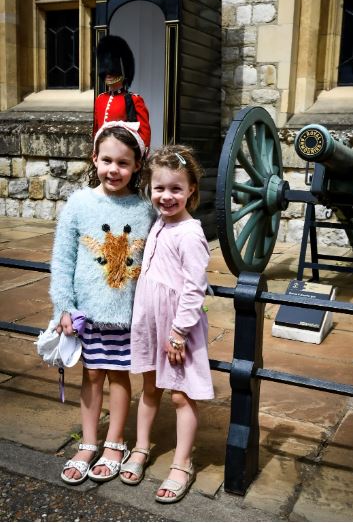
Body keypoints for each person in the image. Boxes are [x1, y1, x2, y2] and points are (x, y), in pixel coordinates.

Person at [52, 126, 154, 484]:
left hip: (127, 314)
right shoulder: (79, 203)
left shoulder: (146, 209)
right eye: (107, 160)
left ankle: (115, 442)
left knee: (119, 374)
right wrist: (63, 306)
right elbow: (63, 258)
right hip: (88, 313)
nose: (114, 169)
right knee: (92, 373)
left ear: (137, 165)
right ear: (94, 159)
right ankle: (89, 442)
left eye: (123, 163)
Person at [121, 145, 213, 503]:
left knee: (180, 395)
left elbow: (194, 289)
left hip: (176, 329)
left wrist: (178, 334)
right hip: (150, 321)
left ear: (191, 189)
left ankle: (181, 462)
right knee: (148, 386)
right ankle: (142, 447)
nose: (167, 196)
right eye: (160, 188)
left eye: (176, 189)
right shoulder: (158, 222)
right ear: (150, 188)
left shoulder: (190, 234)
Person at [93, 36, 151, 159]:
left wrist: (141, 156)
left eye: (112, 71)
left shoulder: (134, 99)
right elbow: (96, 129)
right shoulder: (100, 99)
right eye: (106, 71)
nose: (108, 75)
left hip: (122, 153)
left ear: (122, 73)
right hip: (102, 153)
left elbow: (144, 132)